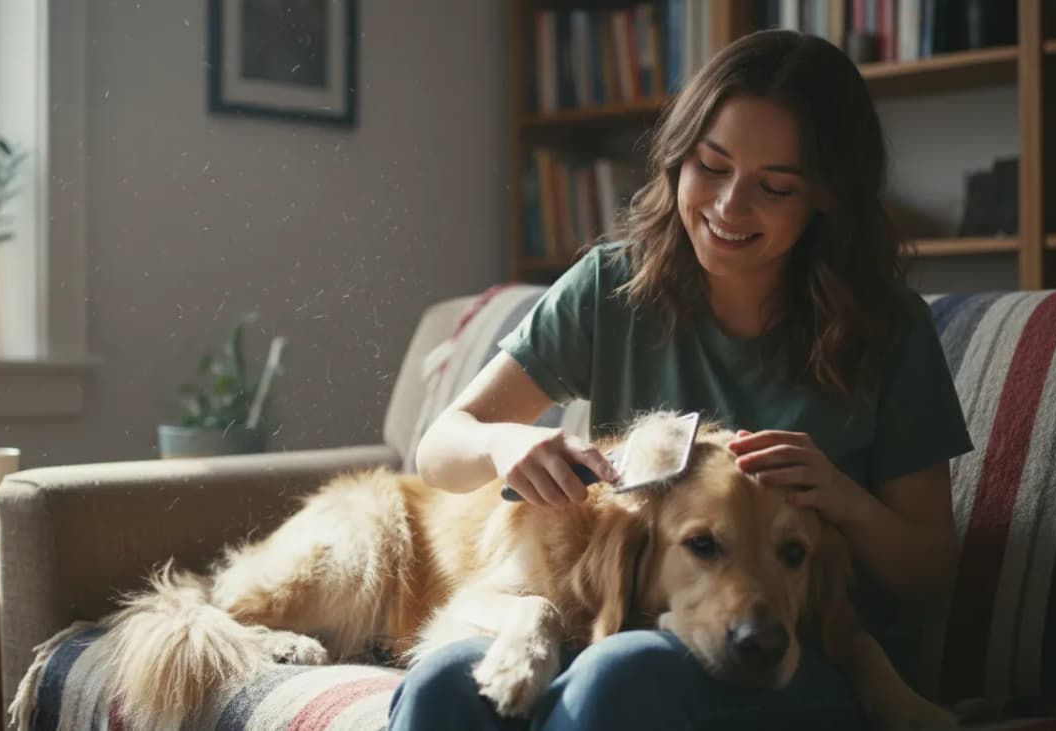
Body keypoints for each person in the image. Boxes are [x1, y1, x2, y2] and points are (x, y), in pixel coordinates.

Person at [387, 28, 973, 731]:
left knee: (617, 674)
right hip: (624, 623)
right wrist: (505, 444)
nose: (729, 206)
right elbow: (440, 447)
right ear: (677, 158)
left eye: (775, 186)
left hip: (807, 658)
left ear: (826, 198)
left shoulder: (889, 330)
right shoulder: (612, 288)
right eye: (712, 165)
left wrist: (842, 499)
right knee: (442, 684)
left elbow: (930, 570)